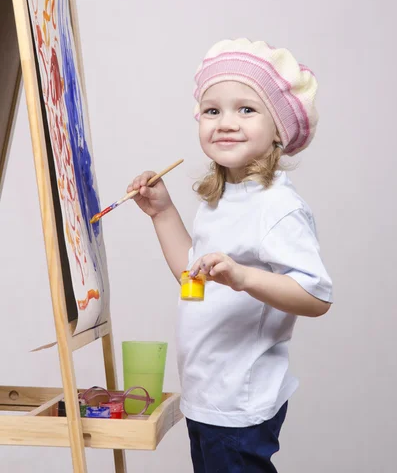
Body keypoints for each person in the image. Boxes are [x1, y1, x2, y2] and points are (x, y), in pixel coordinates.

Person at [127, 38, 333, 472]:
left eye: (246, 109)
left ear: (279, 128)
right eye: (212, 110)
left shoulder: (276, 206)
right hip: (207, 394)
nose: (225, 122)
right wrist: (162, 213)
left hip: (239, 401)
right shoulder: (222, 198)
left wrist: (243, 277)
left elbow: (316, 297)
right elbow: (193, 275)